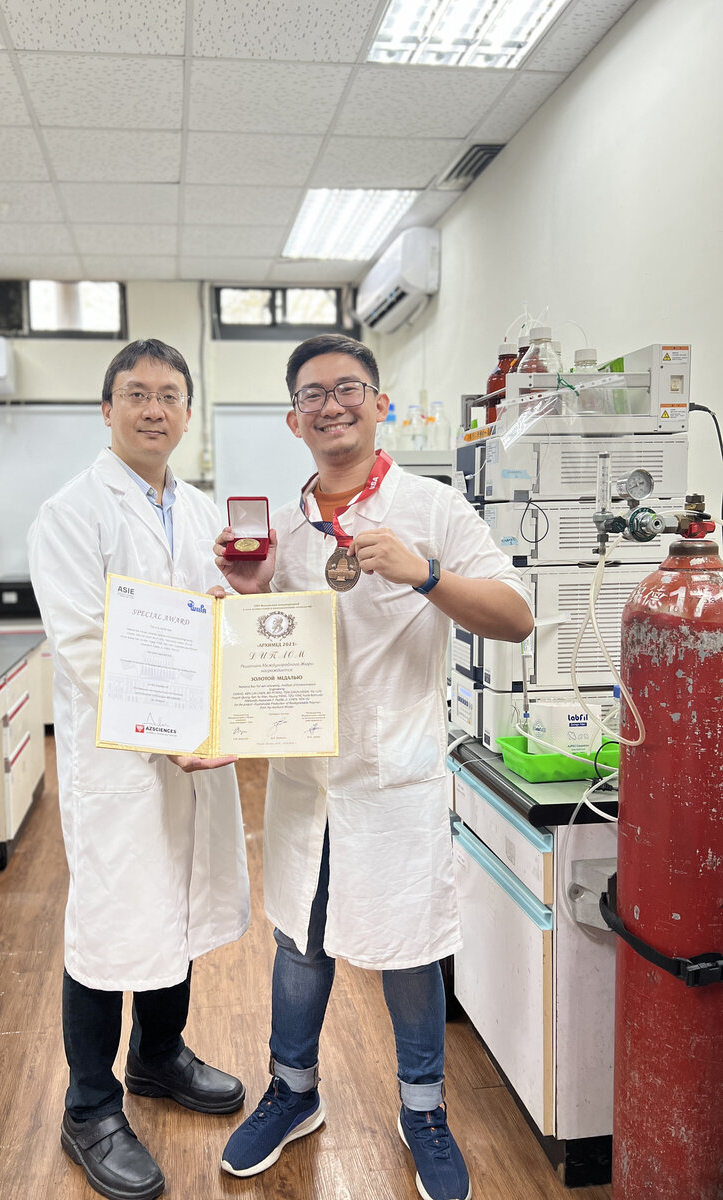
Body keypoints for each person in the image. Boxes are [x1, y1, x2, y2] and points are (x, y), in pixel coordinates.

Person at [214, 334, 533, 1200]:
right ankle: (294, 1092)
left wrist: (426, 575)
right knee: (300, 942)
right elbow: (265, 652)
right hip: (306, 781)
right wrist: (239, 601)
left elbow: (516, 615)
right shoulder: (277, 531)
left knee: (410, 949)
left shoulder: (432, 508)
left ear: (380, 402)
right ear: (293, 419)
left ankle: (422, 1108)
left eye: (348, 388)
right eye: (312, 394)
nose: (332, 405)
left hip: (395, 778)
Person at [29, 338, 250, 1200]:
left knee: (182, 901)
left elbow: (213, 619)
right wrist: (162, 734)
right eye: (136, 393)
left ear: (188, 413)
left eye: (169, 395)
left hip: (197, 748)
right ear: (107, 408)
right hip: (123, 760)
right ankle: (88, 1105)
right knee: (111, 918)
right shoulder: (72, 510)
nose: (154, 408)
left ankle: (157, 1057)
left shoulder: (196, 510)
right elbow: (84, 644)